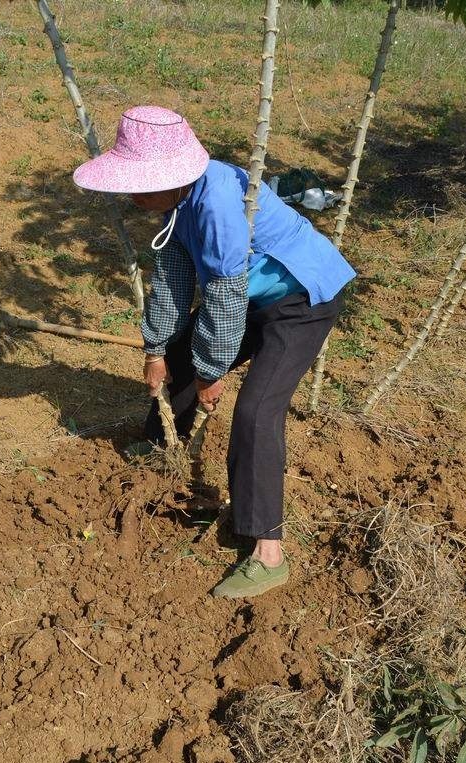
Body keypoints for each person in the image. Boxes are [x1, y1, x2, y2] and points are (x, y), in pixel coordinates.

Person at [73, 106, 356, 598]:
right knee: (182, 357)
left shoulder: (220, 204)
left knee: (256, 411)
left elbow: (224, 299)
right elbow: (174, 279)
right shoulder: (177, 202)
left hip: (302, 298)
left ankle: (268, 552)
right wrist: (157, 347)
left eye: (138, 185)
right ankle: (160, 443)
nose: (131, 196)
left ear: (171, 175)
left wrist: (211, 372)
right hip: (251, 295)